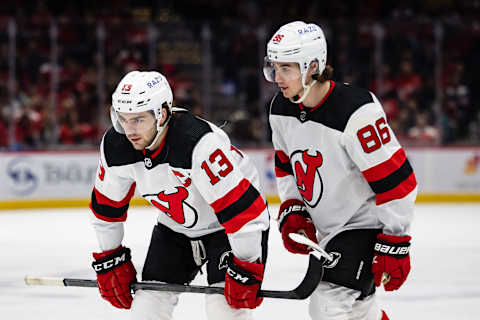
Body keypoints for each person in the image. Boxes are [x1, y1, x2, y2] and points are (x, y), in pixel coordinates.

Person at [264, 21, 417, 320]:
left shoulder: (357, 111)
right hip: (329, 233)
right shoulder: (280, 109)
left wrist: (396, 241)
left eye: (286, 68)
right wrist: (294, 206)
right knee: (361, 312)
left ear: (312, 66)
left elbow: (397, 181)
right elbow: (286, 165)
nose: (277, 78)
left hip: (365, 226)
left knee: (327, 305)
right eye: (274, 67)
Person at [90, 70, 270, 320]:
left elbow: (241, 210)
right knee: (146, 311)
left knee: (224, 310)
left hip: (227, 229)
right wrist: (110, 256)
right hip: (175, 230)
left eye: (139, 120)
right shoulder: (115, 145)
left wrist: (247, 266)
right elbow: (106, 207)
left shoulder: (198, 143)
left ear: (162, 113)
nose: (129, 130)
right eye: (123, 119)